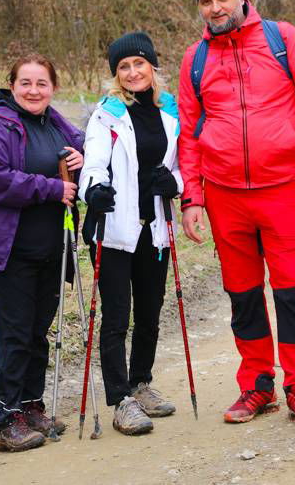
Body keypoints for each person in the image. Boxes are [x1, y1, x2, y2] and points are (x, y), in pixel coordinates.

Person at [178, 0, 295, 426]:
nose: (215, 8)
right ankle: (257, 386)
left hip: (282, 190)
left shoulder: (281, 38)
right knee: (243, 296)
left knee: (291, 292)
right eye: (206, 2)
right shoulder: (196, 59)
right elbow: (188, 134)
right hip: (226, 195)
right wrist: (193, 197)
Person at [0, 54, 84, 451]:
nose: (34, 90)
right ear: (12, 86)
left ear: (53, 88)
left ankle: (31, 405)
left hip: (54, 250)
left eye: (42, 83)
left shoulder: (56, 123)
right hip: (9, 251)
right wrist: (53, 188)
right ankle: (6, 417)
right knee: (15, 332)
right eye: (26, 83)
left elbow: (85, 151)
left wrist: (81, 160)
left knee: (37, 332)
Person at [78, 32, 182, 436]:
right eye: (124, 66)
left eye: (140, 63)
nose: (133, 71)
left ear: (153, 68)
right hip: (114, 228)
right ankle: (120, 398)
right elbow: (93, 163)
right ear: (116, 75)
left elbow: (178, 165)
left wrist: (173, 183)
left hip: (153, 228)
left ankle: (141, 383)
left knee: (151, 314)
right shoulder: (106, 115)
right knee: (117, 317)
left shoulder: (170, 113)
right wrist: (94, 190)